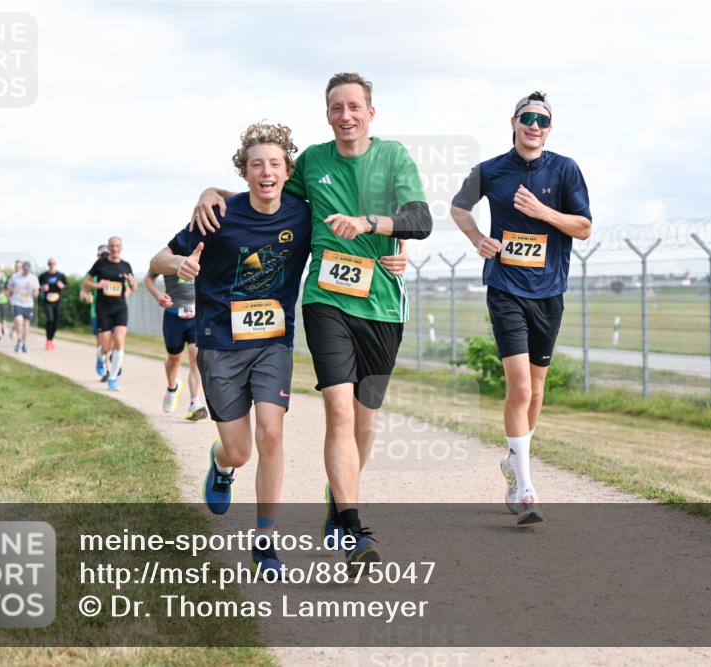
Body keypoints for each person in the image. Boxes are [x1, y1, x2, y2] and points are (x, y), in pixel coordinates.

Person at [192, 73, 431, 573]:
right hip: (325, 299)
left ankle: (336, 494)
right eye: (336, 108)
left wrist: (374, 226)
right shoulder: (314, 162)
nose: (345, 116)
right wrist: (208, 191)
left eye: (353, 107)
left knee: (366, 422)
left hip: (382, 303)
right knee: (339, 413)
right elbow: (263, 186)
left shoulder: (394, 158)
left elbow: (420, 219)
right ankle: (351, 526)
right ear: (327, 116)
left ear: (371, 112)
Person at [156, 121, 318, 575]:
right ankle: (221, 464)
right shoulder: (218, 214)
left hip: (273, 342)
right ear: (243, 173)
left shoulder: (302, 214)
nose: (266, 172)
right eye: (256, 165)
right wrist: (179, 263)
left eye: (274, 163)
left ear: (287, 170)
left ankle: (265, 542)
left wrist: (397, 246)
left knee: (271, 433)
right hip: (219, 344)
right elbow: (157, 259)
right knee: (240, 451)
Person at [451, 90, 592, 525]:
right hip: (506, 288)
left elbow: (584, 228)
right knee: (521, 388)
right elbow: (458, 208)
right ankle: (525, 486)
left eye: (542, 120)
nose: (534, 125)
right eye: (527, 118)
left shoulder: (565, 169)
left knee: (538, 387)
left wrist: (543, 211)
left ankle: (514, 460)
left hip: (549, 291)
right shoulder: (491, 170)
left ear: (549, 129)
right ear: (513, 122)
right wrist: (479, 240)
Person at [143, 264, 207, 421]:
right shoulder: (168, 258)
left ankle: (194, 403)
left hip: (196, 316)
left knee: (195, 356)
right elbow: (148, 278)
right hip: (173, 316)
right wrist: (158, 295)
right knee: (174, 359)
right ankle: (172, 388)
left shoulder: (201, 254)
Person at [83, 237, 136, 391]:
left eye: (117, 246)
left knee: (119, 341)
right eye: (112, 246)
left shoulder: (126, 266)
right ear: (108, 247)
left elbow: (133, 287)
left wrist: (131, 282)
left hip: (120, 308)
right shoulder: (100, 264)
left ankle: (112, 378)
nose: (114, 249)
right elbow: (86, 282)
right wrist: (97, 285)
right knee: (105, 348)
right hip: (103, 308)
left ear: (121, 247)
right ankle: (100, 358)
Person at [81, 245, 109, 376]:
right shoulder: (93, 272)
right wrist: (87, 296)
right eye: (102, 255)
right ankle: (103, 364)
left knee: (114, 341)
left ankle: (110, 364)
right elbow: (83, 291)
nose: (104, 257)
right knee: (101, 342)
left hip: (114, 311)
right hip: (97, 312)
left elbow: (126, 289)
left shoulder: (117, 270)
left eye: (106, 255)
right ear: (98, 256)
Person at [7, 261, 40, 353]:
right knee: (19, 321)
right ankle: (18, 341)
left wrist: (33, 288)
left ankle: (24, 344)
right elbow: (9, 286)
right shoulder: (15, 276)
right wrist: (13, 289)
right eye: (25, 270)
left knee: (26, 325)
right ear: (22, 268)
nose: (26, 272)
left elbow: (36, 294)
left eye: (28, 270)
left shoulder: (34, 278)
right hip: (17, 302)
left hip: (28, 304)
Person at [38, 257, 68, 350]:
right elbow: (38, 286)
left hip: (57, 301)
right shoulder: (43, 275)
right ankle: (48, 340)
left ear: (56, 264)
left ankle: (51, 339)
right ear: (48, 264)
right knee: (50, 319)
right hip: (47, 301)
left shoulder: (60, 275)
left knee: (55, 321)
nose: (52, 265)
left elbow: (67, 285)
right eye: (50, 263)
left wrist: (62, 286)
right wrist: (43, 287)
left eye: (53, 263)